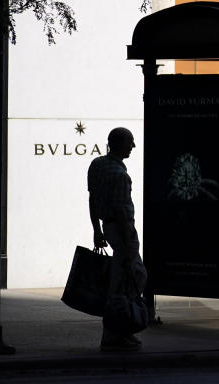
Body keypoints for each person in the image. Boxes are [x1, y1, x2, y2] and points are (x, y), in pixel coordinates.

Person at [88, 127, 145, 351]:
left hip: (107, 228)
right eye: (130, 142)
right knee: (133, 277)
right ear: (119, 143)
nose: (133, 146)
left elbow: (92, 199)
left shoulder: (98, 165)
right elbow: (121, 212)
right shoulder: (120, 176)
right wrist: (129, 244)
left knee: (124, 281)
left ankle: (123, 331)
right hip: (122, 232)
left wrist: (96, 230)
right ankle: (114, 335)